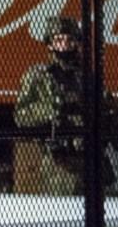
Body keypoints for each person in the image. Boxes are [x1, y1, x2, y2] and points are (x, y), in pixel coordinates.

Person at [14, 16, 86, 195]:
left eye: (70, 40)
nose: (65, 45)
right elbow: (20, 115)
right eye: (59, 40)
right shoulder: (38, 76)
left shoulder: (84, 77)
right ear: (50, 44)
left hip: (86, 156)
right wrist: (51, 110)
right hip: (57, 159)